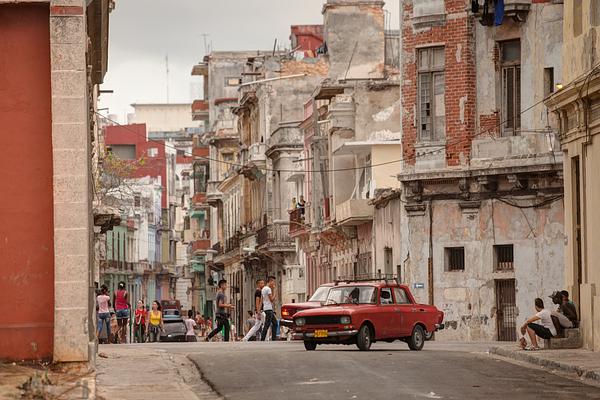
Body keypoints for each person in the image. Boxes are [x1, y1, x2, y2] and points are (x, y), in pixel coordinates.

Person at [261, 276, 278, 341]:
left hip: (267, 308)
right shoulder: (268, 289)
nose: (274, 283)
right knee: (267, 324)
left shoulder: (263, 289)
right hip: (268, 309)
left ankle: (273, 338)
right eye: (273, 282)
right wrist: (275, 292)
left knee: (275, 323)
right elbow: (272, 299)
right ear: (270, 281)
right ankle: (262, 339)